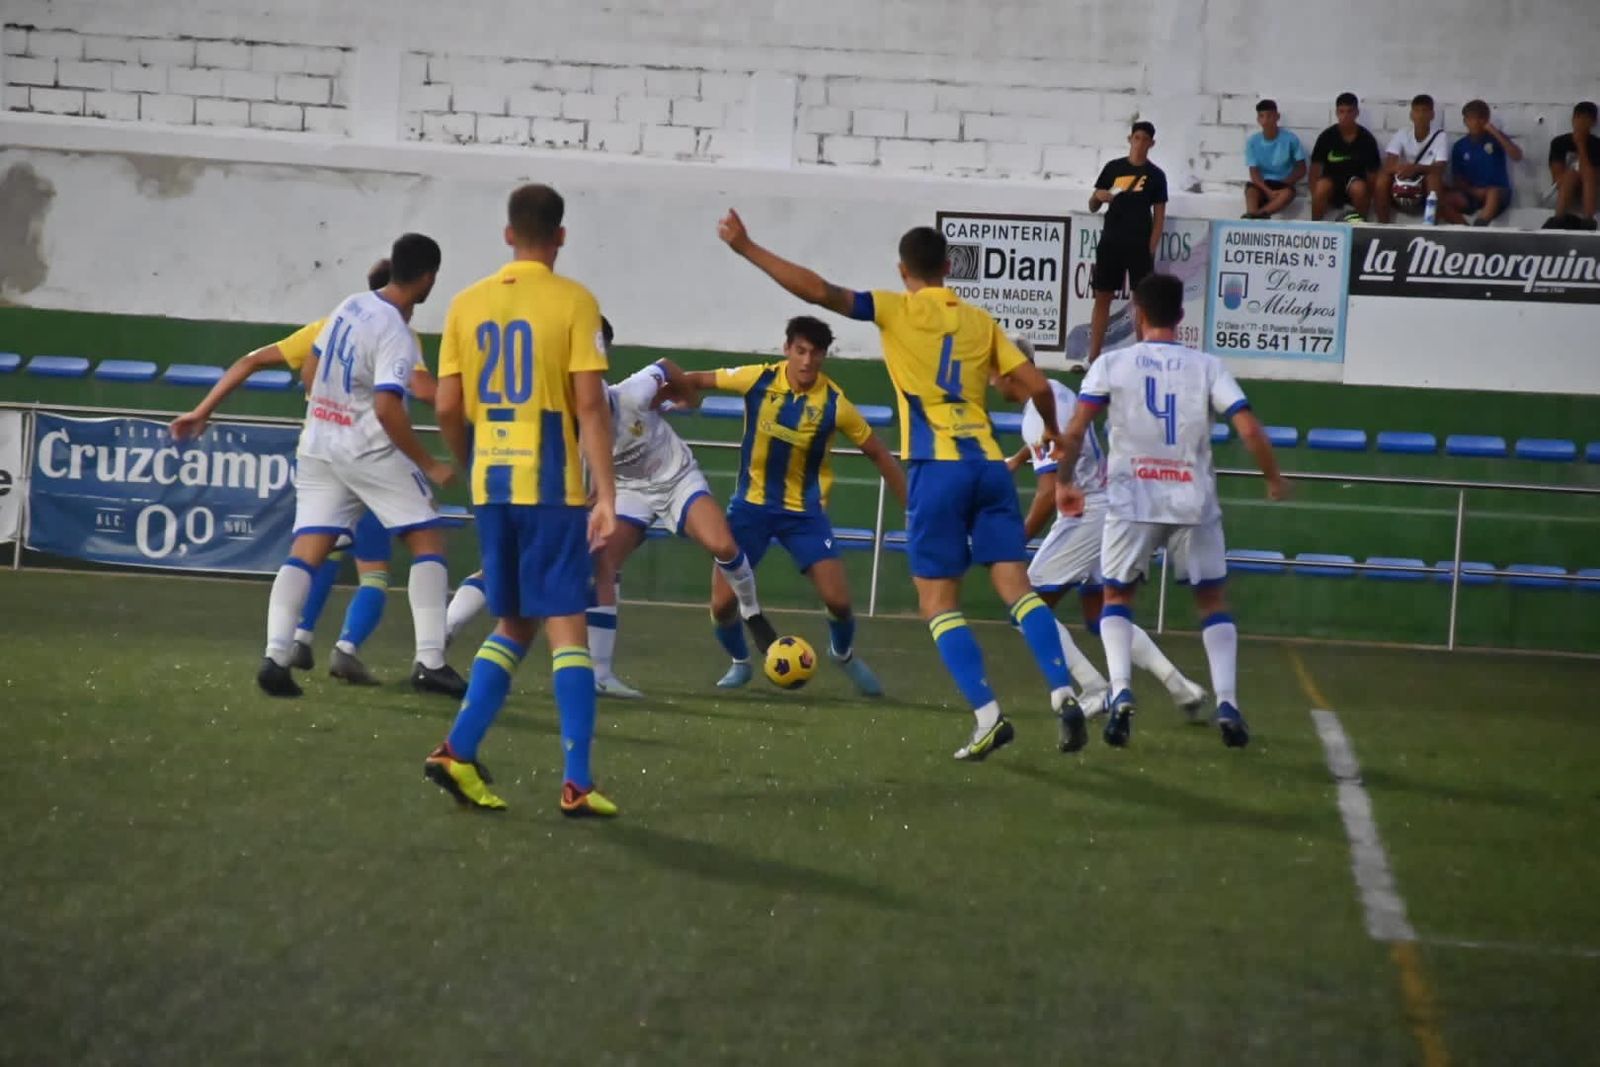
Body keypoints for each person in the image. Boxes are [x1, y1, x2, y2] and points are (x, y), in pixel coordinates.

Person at [719, 212, 1089, 761]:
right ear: (947, 268)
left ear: (903, 269)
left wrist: (748, 246)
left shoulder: (893, 308)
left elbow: (819, 291)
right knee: (1018, 589)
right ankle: (1063, 691)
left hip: (936, 469)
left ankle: (988, 715)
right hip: (988, 465)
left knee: (938, 602)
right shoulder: (981, 320)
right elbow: (1036, 385)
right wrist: (1055, 431)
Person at [426, 183, 619, 817]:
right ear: (560, 235)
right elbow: (589, 403)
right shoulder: (575, 302)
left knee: (513, 623)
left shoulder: (463, 305)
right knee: (568, 630)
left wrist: (470, 459)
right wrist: (606, 494)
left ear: (508, 233)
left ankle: (458, 750)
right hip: (551, 486)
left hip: (493, 485)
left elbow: (447, 406)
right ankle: (577, 782)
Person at [170, 260, 437, 678]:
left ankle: (291, 643)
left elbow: (252, 361)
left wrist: (202, 410)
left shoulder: (331, 322)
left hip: (320, 452)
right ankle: (362, 649)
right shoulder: (399, 334)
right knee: (381, 568)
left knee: (315, 552)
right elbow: (420, 389)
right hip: (370, 458)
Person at [1056, 274, 1288, 750]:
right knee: (1212, 602)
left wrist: (1063, 483)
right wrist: (1272, 477)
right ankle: (1227, 702)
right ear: (1181, 317)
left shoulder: (1110, 364)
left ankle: (1121, 693)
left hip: (1131, 499)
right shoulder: (1205, 366)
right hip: (1192, 500)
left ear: (1137, 314)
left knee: (1116, 599)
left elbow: (1077, 428)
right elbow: (1248, 429)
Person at [255, 233, 464, 700]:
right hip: (367, 449)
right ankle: (431, 661)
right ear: (429, 278)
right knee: (427, 537)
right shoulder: (396, 331)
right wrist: (429, 463)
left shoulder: (350, 305)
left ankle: (275, 656)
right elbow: (389, 407)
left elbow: (310, 370)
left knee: (307, 549)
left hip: (318, 444)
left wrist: (334, 407)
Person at [680, 315, 907, 695]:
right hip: (750, 509)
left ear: (823, 357)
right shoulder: (758, 378)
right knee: (721, 605)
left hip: (804, 516)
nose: (806, 361)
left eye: (815, 354)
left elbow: (879, 453)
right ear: (787, 349)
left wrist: (911, 507)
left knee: (839, 600)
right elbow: (697, 379)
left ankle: (843, 653)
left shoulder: (835, 403)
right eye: (800, 351)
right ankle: (740, 662)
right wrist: (674, 390)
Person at [1000, 338, 1207, 732]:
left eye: (994, 373)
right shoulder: (1057, 391)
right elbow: (1059, 437)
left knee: (1023, 605)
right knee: (1100, 614)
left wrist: (1016, 541)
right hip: (1112, 504)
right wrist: (1020, 457)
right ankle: (1181, 688)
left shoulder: (1034, 415)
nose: (992, 383)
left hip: (1086, 511)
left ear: (1011, 373)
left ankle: (1095, 687)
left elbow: (1047, 492)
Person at [587, 324, 777, 698]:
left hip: (677, 480)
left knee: (723, 546)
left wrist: (691, 398)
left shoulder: (632, 393)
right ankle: (600, 674)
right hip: (632, 492)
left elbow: (667, 365)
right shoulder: (576, 425)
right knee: (602, 562)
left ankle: (753, 614)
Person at [1086, 121, 1168, 366]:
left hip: (1138, 245)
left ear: (1152, 144)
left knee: (1141, 301)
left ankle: (1143, 355)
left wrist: (1151, 247)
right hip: (1111, 242)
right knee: (1103, 297)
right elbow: (1092, 205)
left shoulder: (1156, 175)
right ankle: (1094, 357)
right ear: (1130, 139)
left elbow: (1160, 215)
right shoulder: (1113, 168)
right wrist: (1097, 197)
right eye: (1137, 137)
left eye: (1145, 139)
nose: (1140, 143)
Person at [1375, 94, 1450, 223]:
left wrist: (1416, 168)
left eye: (1425, 111)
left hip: (1424, 183)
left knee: (1434, 179)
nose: (1420, 115)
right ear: (1411, 115)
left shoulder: (1440, 136)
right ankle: (1382, 225)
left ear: (1432, 115)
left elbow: (1440, 168)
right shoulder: (1403, 133)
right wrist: (1402, 169)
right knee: (1382, 178)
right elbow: (1389, 164)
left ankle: (1432, 225)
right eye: (1417, 111)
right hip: (1402, 181)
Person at [1448, 100, 1522, 226]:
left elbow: (1517, 156)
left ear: (1486, 120)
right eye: (1471, 119)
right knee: (1443, 199)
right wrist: (1474, 191)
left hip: (1498, 193)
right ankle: (1466, 230)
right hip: (1472, 193)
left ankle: (1480, 225)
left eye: (1480, 119)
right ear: (1465, 121)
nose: (1476, 123)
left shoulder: (1496, 138)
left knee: (1492, 193)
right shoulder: (1459, 146)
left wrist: (1494, 131)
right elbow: (1458, 179)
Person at [1310, 92, 1382, 222]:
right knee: (1321, 187)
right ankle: (1315, 228)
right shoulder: (1327, 136)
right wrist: (1315, 197)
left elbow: (1373, 175)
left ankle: (1360, 226)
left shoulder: (1366, 139)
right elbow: (1315, 170)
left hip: (1356, 185)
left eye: (1349, 111)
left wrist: (1368, 197)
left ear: (1356, 113)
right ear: (1336, 113)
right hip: (1331, 184)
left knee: (1358, 188)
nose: (1345, 116)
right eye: (1341, 112)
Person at [1243, 100, 1306, 219]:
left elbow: (1301, 168)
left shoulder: (1290, 139)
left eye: (1269, 116)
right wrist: (1267, 191)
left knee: (1287, 194)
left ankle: (1256, 216)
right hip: (1262, 184)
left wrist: (1285, 182)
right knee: (1250, 192)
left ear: (1277, 117)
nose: (1265, 121)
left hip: (1282, 183)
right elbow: (1254, 172)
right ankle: (1253, 216)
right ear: (1258, 119)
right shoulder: (1253, 141)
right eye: (1262, 116)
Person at [1548, 101, 1599, 229]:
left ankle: (1588, 221)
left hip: (1591, 189)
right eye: (1578, 117)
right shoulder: (1559, 142)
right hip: (1565, 188)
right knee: (1571, 175)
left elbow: (1594, 177)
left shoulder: (1597, 145)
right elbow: (1557, 178)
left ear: (1593, 122)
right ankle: (1558, 220)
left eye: (1586, 119)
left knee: (1588, 173)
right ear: (1573, 119)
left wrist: (1580, 145)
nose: (1580, 123)